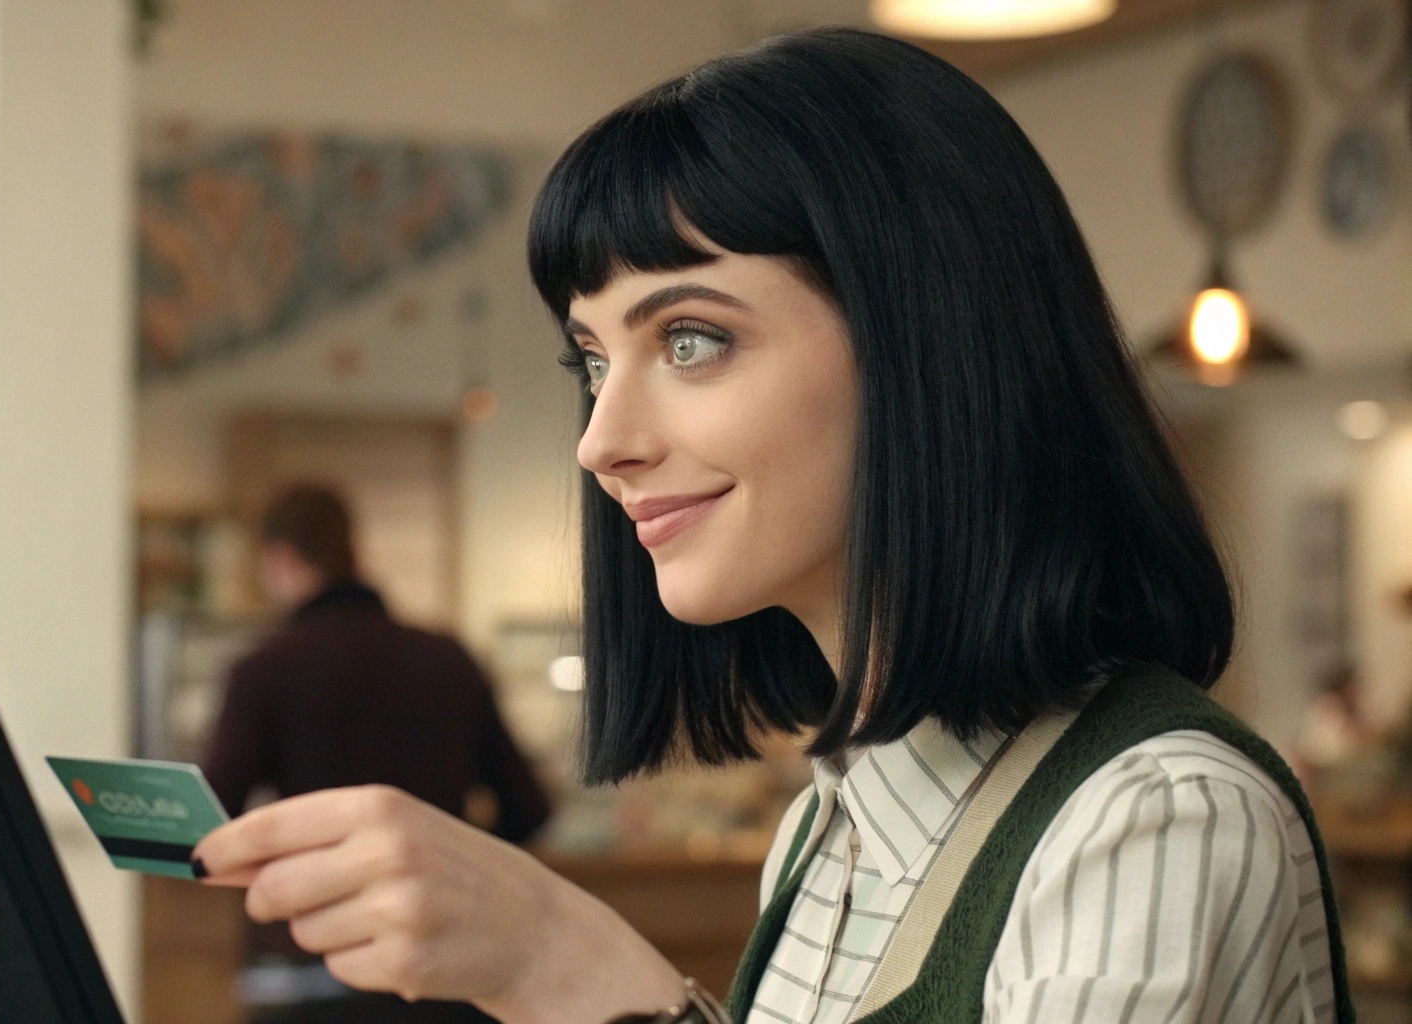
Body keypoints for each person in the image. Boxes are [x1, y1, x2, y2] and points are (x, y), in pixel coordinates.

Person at [195, 29, 1356, 1024]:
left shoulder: (1151, 820)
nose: (601, 440)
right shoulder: (821, 835)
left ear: (925, 346)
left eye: (689, 340)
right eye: (592, 361)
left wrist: (569, 964)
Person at [202, 484, 551, 1024]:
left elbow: (212, 819)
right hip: (444, 961)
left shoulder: (265, 669)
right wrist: (455, 867)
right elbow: (530, 808)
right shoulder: (448, 659)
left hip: (313, 965)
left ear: (280, 558)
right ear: (352, 551)